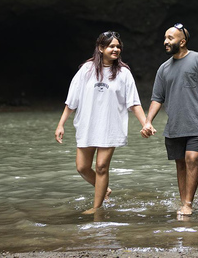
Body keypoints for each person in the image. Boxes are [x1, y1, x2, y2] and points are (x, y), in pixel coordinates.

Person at [55, 31, 147, 214]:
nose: (115, 49)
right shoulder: (86, 70)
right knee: (82, 167)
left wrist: (145, 123)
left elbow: (134, 102)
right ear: (101, 48)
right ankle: (104, 188)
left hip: (110, 126)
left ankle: (96, 209)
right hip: (87, 124)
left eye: (118, 46)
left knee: (101, 167)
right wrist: (61, 124)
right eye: (111, 46)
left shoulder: (123, 73)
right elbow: (71, 100)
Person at [141, 23, 198, 217]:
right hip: (175, 124)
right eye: (165, 38)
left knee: (192, 158)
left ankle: (188, 204)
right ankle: (184, 201)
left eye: (170, 38)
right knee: (180, 164)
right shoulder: (163, 69)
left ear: (182, 41)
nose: (166, 41)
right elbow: (157, 98)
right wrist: (148, 121)